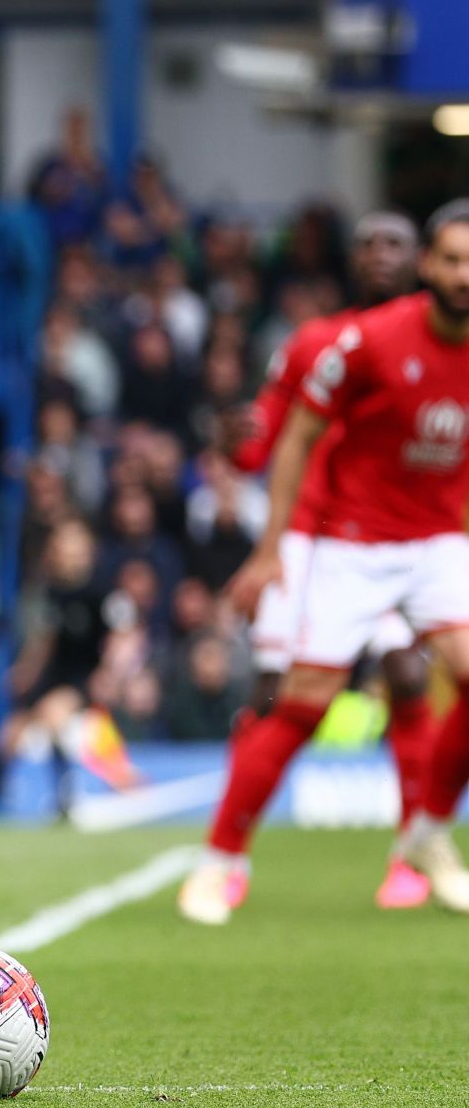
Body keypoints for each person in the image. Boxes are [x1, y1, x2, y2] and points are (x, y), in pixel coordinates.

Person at [180, 202, 469, 925]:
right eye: (454, 260)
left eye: (392, 242)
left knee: (417, 676)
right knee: (296, 700)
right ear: (432, 267)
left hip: (435, 539)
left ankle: (425, 840)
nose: (380, 254)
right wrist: (270, 542)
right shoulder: (344, 343)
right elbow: (279, 437)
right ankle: (222, 861)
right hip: (338, 542)